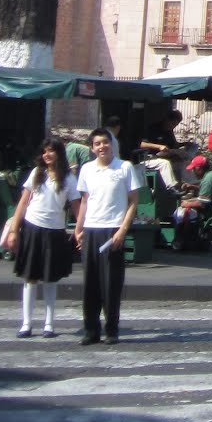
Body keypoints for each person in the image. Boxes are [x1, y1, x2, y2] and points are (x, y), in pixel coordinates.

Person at [6, 136, 81, 338]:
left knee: (50, 278)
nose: (47, 155)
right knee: (30, 278)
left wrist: (79, 230)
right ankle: (26, 323)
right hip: (32, 227)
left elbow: (77, 207)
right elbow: (22, 203)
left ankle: (49, 324)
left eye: (51, 151)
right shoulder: (37, 173)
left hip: (54, 231)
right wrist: (14, 229)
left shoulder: (69, 178)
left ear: (59, 153)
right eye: (44, 151)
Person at [74, 127, 139, 345]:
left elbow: (133, 202)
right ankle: (91, 329)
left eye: (105, 142)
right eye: (97, 144)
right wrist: (78, 227)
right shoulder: (86, 169)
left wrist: (122, 230)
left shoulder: (124, 167)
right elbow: (84, 200)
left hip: (113, 229)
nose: (102, 147)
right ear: (92, 148)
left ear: (112, 144)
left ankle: (111, 329)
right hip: (91, 229)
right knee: (90, 282)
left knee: (111, 282)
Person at [171, 153, 212, 251]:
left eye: (193, 169)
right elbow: (210, 190)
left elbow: (202, 203)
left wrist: (186, 204)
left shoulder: (207, 179)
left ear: (199, 169)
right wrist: (193, 187)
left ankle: (181, 240)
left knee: (181, 211)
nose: (193, 172)